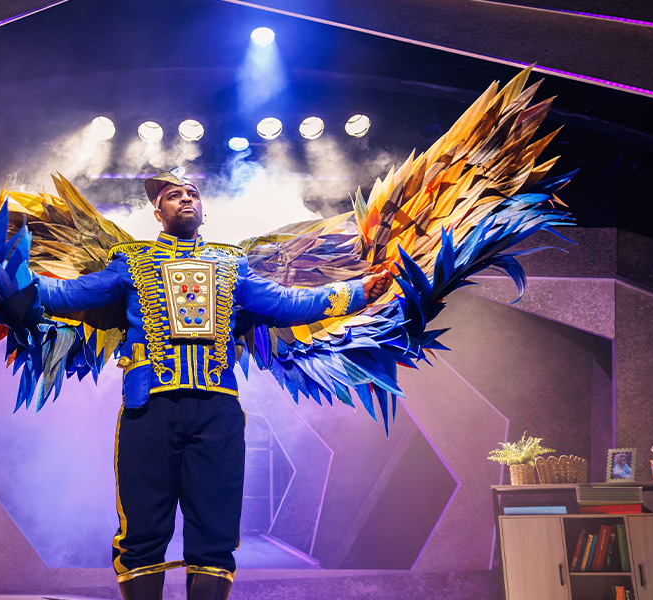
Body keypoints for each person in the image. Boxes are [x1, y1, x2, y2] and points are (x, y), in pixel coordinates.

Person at [34, 168, 393, 600]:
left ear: (202, 210)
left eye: (192, 193)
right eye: (172, 195)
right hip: (149, 409)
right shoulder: (130, 258)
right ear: (157, 211)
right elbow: (72, 295)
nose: (185, 199)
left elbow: (284, 303)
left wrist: (357, 292)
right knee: (142, 528)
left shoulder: (231, 263)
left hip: (217, 412)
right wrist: (7, 283)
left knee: (216, 532)